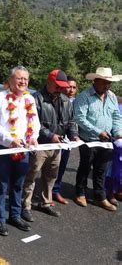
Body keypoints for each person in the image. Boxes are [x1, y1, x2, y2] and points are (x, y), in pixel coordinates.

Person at [21, 70, 79, 222]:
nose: (61, 89)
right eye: (57, 86)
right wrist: (50, 135)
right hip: (39, 145)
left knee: (51, 176)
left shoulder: (66, 101)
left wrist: (74, 135)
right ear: (49, 82)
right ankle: (25, 205)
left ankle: (45, 202)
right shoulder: (36, 99)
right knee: (31, 176)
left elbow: (71, 121)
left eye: (62, 86)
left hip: (57, 145)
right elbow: (33, 124)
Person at [0, 65, 40, 236]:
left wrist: (34, 136)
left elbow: (35, 123)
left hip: (23, 149)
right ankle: (0, 219)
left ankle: (15, 216)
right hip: (3, 149)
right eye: (19, 78)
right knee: (1, 185)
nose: (23, 82)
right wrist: (10, 140)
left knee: (18, 184)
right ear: (10, 80)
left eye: (25, 79)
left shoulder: (29, 99)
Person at [73, 67, 122, 211]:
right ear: (96, 81)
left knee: (101, 169)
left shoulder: (112, 96)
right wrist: (97, 131)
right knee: (85, 166)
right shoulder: (84, 96)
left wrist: (118, 132)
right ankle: (80, 193)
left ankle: (100, 196)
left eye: (109, 83)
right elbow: (80, 118)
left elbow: (116, 116)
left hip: (106, 140)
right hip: (89, 139)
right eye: (104, 82)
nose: (107, 85)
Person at [52, 75, 78, 204]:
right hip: (52, 140)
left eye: (73, 87)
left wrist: (74, 135)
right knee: (48, 169)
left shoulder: (75, 102)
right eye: (68, 87)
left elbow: (72, 122)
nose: (71, 90)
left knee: (61, 168)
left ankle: (55, 191)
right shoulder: (55, 100)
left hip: (67, 142)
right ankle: (44, 194)